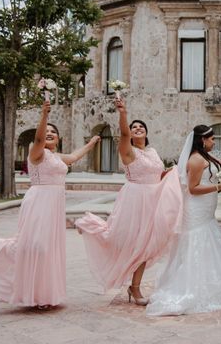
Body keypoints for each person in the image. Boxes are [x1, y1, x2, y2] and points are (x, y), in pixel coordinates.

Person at [0, 101, 99, 309]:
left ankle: (43, 295)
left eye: (54, 132)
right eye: (47, 131)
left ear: (59, 139)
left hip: (54, 204)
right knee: (36, 246)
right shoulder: (36, 152)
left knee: (48, 248)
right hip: (39, 201)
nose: (50, 133)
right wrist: (44, 115)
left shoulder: (56, 157)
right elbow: (39, 138)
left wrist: (93, 142)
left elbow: (75, 156)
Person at [75, 97, 182, 305]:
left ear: (147, 132)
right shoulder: (127, 150)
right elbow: (124, 133)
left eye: (141, 126)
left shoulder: (152, 151)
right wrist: (123, 113)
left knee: (147, 245)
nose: (138, 128)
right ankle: (91, 227)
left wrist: (173, 172)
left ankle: (135, 287)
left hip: (154, 199)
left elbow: (157, 174)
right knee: (127, 241)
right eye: (134, 127)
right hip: (135, 200)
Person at [146, 125, 221, 315]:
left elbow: (220, 167)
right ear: (202, 140)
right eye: (211, 139)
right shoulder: (195, 159)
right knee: (196, 244)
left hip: (207, 210)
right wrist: (219, 187)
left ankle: (213, 285)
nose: (214, 141)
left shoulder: (206, 157)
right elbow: (193, 188)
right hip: (196, 209)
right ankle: (193, 287)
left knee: (210, 243)